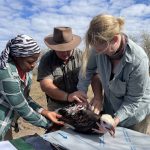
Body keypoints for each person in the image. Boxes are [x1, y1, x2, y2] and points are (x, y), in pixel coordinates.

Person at [77, 14, 150, 134]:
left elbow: (133, 100)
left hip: (134, 115)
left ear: (115, 40)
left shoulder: (138, 60)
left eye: (101, 50)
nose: (98, 53)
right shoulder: (98, 47)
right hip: (110, 107)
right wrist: (82, 92)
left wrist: (114, 121)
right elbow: (87, 69)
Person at [0, 34, 64, 141]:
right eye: (30, 61)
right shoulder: (5, 72)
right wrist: (50, 125)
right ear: (17, 57)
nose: (34, 65)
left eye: (36, 61)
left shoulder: (26, 72)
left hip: (5, 123)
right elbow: (22, 108)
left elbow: (25, 98)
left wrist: (45, 112)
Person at [37, 27, 90, 111]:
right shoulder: (46, 59)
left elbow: (94, 76)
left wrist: (96, 97)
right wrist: (68, 97)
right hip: (56, 105)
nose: (65, 53)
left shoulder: (82, 56)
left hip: (79, 102)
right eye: (61, 50)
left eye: (68, 50)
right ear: (54, 48)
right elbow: (46, 85)